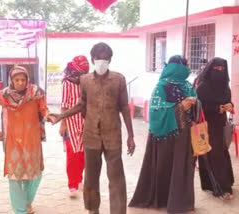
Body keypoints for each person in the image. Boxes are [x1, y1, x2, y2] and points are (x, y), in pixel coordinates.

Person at [50, 42, 136, 214]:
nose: (101, 61)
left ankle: (118, 211)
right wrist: (61, 116)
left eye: (105, 58)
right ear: (93, 59)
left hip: (113, 136)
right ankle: (92, 210)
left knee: (116, 178)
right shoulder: (85, 80)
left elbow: (125, 108)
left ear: (110, 60)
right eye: (98, 58)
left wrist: (131, 136)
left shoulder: (119, 79)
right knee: (90, 178)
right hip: (91, 136)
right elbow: (81, 104)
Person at [129, 55, 197, 214]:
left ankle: (181, 203)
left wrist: (194, 104)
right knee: (165, 166)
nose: (186, 69)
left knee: (183, 167)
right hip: (166, 135)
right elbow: (155, 111)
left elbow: (197, 104)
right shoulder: (161, 86)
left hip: (185, 134)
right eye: (183, 66)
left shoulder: (187, 86)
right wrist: (181, 106)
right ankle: (161, 200)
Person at [0, 66, 51, 214]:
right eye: (17, 80)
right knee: (15, 177)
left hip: (31, 140)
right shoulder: (4, 95)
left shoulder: (36, 93)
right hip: (13, 141)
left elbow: (43, 109)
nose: (20, 82)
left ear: (28, 80)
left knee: (35, 175)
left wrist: (48, 115)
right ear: (11, 80)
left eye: (23, 79)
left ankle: (27, 201)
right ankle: (20, 210)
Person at [196, 57, 235, 200]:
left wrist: (230, 106)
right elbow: (198, 107)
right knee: (212, 154)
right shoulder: (203, 87)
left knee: (221, 153)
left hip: (220, 125)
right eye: (216, 69)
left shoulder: (225, 87)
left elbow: (227, 101)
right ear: (210, 69)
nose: (219, 71)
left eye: (222, 69)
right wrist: (216, 108)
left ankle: (223, 183)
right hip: (206, 125)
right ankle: (221, 188)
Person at [59, 55, 89, 197]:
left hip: (85, 121)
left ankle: (79, 180)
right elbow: (64, 106)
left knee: (82, 153)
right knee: (72, 154)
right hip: (70, 122)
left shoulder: (87, 81)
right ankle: (72, 185)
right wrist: (63, 124)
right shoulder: (67, 83)